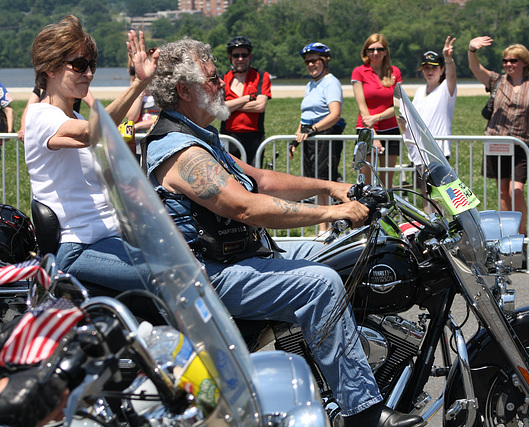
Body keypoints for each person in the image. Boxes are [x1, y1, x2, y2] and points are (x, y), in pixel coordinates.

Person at [142, 37, 424, 427]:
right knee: (321, 283)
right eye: (211, 79)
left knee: (344, 253)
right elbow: (244, 205)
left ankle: (350, 362)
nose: (221, 83)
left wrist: (329, 186)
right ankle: (364, 411)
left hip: (243, 258)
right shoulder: (178, 148)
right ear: (184, 91)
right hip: (210, 276)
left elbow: (257, 178)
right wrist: (333, 210)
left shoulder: (201, 137)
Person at [23, 15, 157, 295]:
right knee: (168, 276)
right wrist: (138, 85)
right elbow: (90, 132)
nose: (89, 73)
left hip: (110, 238)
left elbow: (102, 154)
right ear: (49, 67)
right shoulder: (40, 115)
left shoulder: (70, 116)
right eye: (79, 65)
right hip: (76, 246)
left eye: (92, 65)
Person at [468, 36, 529, 234]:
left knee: (517, 190)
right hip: (496, 143)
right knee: (503, 192)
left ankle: (521, 234)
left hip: (522, 145)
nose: (508, 64)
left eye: (513, 60)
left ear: (523, 62)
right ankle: (508, 235)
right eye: (505, 60)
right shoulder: (497, 81)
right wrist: (472, 50)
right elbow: (476, 69)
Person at [290, 42, 346, 232]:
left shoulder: (331, 82)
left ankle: (329, 229)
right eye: (307, 62)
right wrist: (296, 138)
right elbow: (305, 115)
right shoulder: (310, 85)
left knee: (324, 181)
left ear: (325, 61)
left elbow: (335, 114)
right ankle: (322, 228)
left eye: (315, 61)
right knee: (313, 182)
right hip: (311, 137)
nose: (311, 65)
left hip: (326, 135)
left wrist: (313, 129)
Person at [351, 33, 402, 188]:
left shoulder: (394, 72)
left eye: (380, 49)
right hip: (366, 129)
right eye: (371, 49)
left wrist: (377, 117)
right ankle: (365, 212)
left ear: (386, 51)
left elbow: (398, 105)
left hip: (391, 129)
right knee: (365, 182)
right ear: (365, 52)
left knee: (386, 182)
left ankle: (385, 211)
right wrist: (373, 133)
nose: (375, 53)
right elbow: (362, 106)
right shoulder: (359, 72)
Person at [220, 36, 271, 166]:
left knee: (255, 177)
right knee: (230, 176)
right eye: (236, 55)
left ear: (250, 56)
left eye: (244, 55)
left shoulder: (261, 76)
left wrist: (230, 105)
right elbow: (219, 109)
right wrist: (247, 98)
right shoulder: (222, 79)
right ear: (230, 57)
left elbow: (260, 106)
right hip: (229, 135)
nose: (240, 59)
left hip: (254, 136)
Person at [412, 37, 457, 159]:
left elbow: (452, 76)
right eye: (426, 68)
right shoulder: (419, 91)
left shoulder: (445, 89)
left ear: (442, 70)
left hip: (439, 153)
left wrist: (448, 59)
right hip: (419, 154)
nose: (430, 72)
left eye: (434, 68)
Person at [18, 86, 91, 142]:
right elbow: (29, 107)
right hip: (47, 129)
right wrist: (23, 128)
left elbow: (92, 104)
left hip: (70, 127)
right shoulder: (41, 87)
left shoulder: (78, 86)